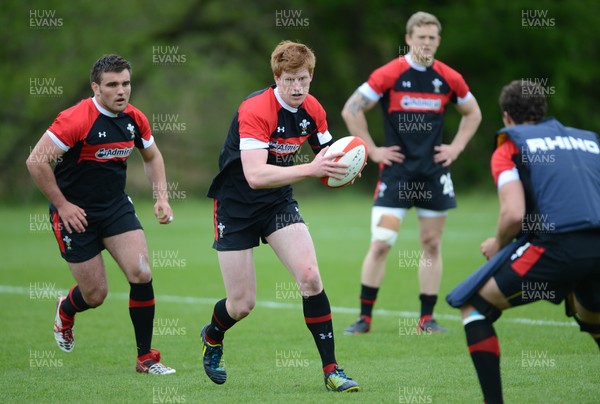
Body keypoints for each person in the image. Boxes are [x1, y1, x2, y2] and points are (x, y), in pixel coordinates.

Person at [201, 40, 360, 392]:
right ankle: (212, 336)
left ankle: (332, 370)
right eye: (289, 80)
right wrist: (312, 169)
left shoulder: (313, 109)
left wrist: (346, 167)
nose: (296, 87)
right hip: (236, 206)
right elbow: (256, 176)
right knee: (242, 304)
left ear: (311, 77)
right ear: (276, 77)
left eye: (303, 79)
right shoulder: (256, 110)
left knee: (310, 277)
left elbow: (328, 155)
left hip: (278, 204)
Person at [446, 79, 600, 403]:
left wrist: (499, 245)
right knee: (593, 318)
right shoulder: (588, 141)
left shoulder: (510, 145)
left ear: (506, 117)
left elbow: (513, 214)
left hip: (558, 245)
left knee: (474, 306)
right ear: (542, 110)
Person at [26, 54, 175, 375]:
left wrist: (161, 198)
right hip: (74, 215)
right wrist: (63, 205)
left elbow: (152, 155)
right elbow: (36, 160)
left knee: (142, 272)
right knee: (96, 295)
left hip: (115, 208)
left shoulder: (134, 118)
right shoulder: (75, 119)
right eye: (112, 85)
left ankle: (145, 358)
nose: (121, 91)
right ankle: (66, 309)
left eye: (126, 83)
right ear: (96, 87)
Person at [341, 11, 481, 334]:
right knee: (382, 243)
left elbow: (473, 113)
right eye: (421, 37)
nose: (427, 43)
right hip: (397, 176)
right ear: (408, 40)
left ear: (438, 41)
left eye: (433, 38)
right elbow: (351, 109)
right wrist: (372, 149)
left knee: (431, 244)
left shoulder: (448, 78)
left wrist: (456, 147)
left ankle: (426, 319)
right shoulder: (390, 74)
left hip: (433, 173)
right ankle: (364, 318)